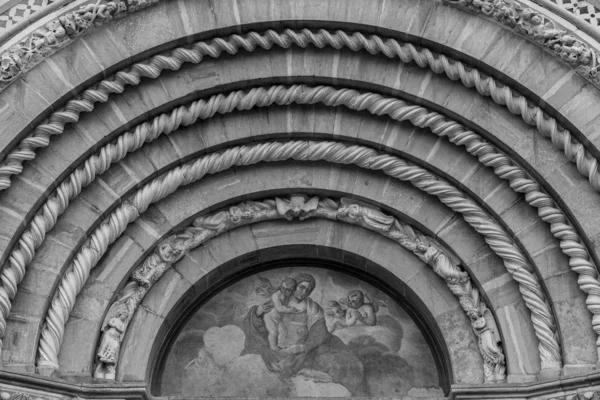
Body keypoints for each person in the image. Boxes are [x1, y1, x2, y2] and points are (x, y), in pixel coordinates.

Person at [242, 273, 368, 395]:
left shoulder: (312, 307)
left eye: (308, 290)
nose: (304, 292)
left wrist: (303, 347)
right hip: (279, 347)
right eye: (302, 287)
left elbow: (319, 332)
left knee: (345, 362)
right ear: (293, 286)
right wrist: (257, 313)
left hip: (306, 348)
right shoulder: (279, 301)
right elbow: (262, 323)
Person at [264, 278, 301, 350]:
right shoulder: (276, 295)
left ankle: (280, 346)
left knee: (283, 331)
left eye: (287, 289)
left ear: (292, 291)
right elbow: (279, 308)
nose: (283, 290)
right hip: (270, 317)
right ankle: (273, 347)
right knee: (273, 332)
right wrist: (290, 310)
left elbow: (290, 305)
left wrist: (294, 309)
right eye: (282, 288)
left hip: (278, 319)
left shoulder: (289, 297)